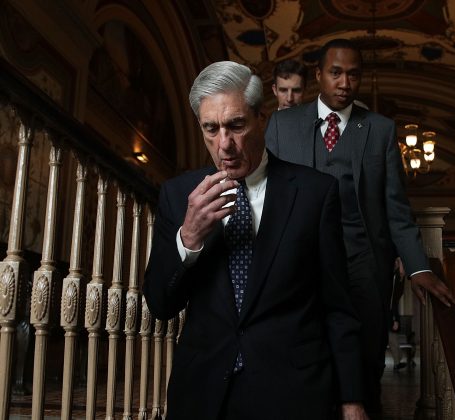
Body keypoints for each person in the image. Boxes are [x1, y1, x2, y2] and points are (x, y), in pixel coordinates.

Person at [143, 60, 368, 420]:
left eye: (236, 125)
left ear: (262, 118)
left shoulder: (315, 193)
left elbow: (337, 308)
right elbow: (160, 304)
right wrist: (188, 238)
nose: (225, 145)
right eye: (210, 129)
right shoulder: (178, 195)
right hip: (203, 393)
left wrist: (352, 400)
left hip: (292, 393)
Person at [265, 38, 455, 418]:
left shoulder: (381, 130)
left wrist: (418, 266)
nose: (344, 83)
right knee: (305, 349)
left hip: (363, 261)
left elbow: (395, 208)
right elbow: (265, 197)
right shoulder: (282, 125)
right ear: (319, 75)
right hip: (301, 261)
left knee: (367, 353)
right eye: (336, 73)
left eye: (353, 74)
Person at [388, 258, 407, 371]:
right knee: (392, 339)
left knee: (392, 338)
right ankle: (397, 361)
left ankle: (397, 361)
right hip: (387, 313)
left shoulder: (395, 277)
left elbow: (395, 298)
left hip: (390, 312)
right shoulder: (389, 276)